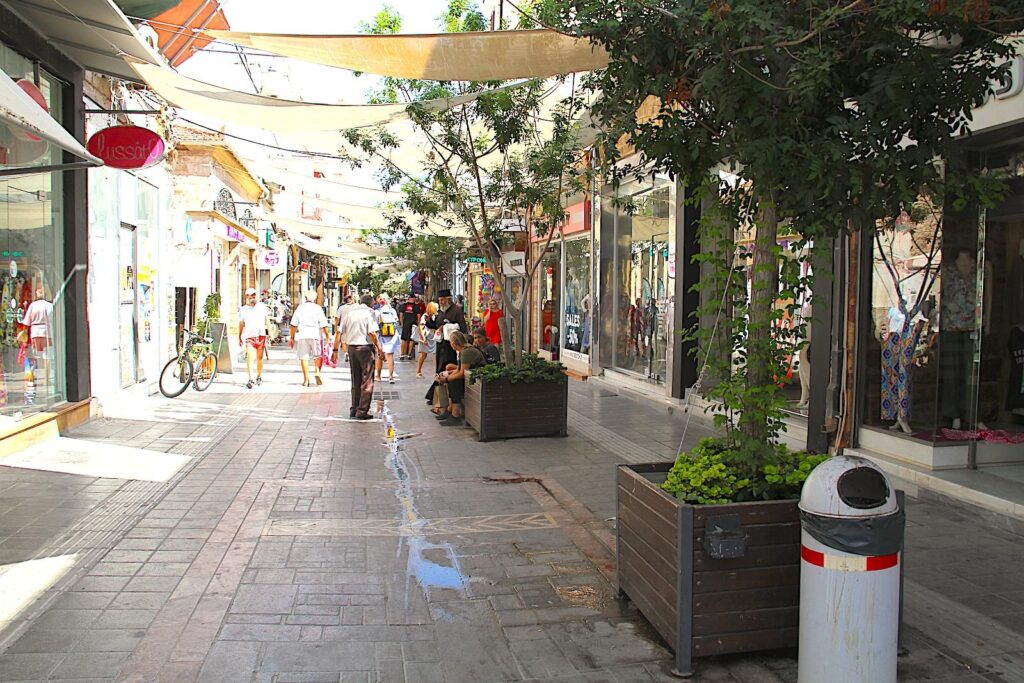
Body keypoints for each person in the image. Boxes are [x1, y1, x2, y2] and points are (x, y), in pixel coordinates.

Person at [335, 294, 383, 420]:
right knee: (367, 380)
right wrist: (380, 349)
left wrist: (335, 349)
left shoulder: (350, 313)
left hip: (352, 348)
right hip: (365, 348)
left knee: (355, 379)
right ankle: (362, 410)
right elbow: (372, 332)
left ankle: (354, 408)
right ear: (371, 303)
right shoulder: (370, 313)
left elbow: (339, 332)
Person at [435, 330, 487, 426]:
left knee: (454, 383)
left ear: (454, 342)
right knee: (449, 380)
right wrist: (446, 375)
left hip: (477, 378)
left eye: (451, 342)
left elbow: (462, 373)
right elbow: (459, 369)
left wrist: (447, 379)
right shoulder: (463, 351)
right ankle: (449, 410)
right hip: (471, 375)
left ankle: (455, 416)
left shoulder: (467, 351)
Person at [289, 291, 331, 387]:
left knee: (304, 357)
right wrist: (328, 337)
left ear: (305, 298)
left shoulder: (300, 308)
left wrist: (292, 337)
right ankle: (317, 371)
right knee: (318, 355)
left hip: (303, 335)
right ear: (315, 298)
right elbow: (324, 324)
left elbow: (293, 324)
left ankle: (306, 380)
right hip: (315, 334)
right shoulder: (318, 308)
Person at [238, 287, 270, 389]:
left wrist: (269, 332)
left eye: (254, 295)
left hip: (261, 335)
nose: (252, 297)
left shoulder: (262, 307)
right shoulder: (243, 310)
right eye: (250, 295)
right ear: (246, 297)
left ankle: (259, 376)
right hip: (249, 336)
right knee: (250, 358)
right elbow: (241, 323)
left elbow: (267, 320)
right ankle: (251, 379)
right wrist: (239, 335)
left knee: (259, 358)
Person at [374, 293, 402, 383]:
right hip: (391, 335)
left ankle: (378, 376)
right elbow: (396, 322)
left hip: (381, 335)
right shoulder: (392, 311)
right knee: (390, 356)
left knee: (380, 356)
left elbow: (374, 325)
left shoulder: (377, 311)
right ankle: (391, 376)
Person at [414, 301, 439, 379]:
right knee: (423, 355)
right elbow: (421, 327)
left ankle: (436, 372)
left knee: (436, 354)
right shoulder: (425, 316)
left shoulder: (437, 316)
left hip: (435, 336)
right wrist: (423, 338)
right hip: (426, 336)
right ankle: (418, 371)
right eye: (436, 307)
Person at [335, 294, 358, 362]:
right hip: (354, 326)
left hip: (344, 326)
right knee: (352, 341)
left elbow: (337, 318)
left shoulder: (341, 308)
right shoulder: (357, 306)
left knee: (344, 342)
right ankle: (353, 354)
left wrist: (336, 327)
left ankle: (346, 353)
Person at [399, 294, 422, 360]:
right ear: (413, 298)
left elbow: (401, 315)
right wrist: (419, 324)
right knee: (412, 339)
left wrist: (402, 323)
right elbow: (418, 316)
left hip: (406, 324)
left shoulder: (403, 306)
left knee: (404, 339)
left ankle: (402, 355)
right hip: (413, 324)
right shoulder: (416, 306)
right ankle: (409, 355)